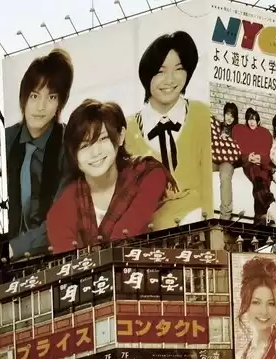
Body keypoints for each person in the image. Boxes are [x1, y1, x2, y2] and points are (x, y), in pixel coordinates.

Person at [44, 99, 170, 254]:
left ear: (120, 136)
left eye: (103, 139)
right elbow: (69, 266)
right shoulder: (60, 212)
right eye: (84, 146)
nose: (95, 153)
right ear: (73, 154)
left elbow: (124, 233)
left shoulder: (147, 175)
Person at [123, 31, 211, 230]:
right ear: (147, 75)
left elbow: (208, 183)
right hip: (148, 239)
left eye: (179, 69)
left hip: (198, 226)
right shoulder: (126, 130)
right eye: (160, 71)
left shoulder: (201, 114)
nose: (170, 80)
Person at [5, 49, 75, 258]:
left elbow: (63, 216)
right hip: (5, 262)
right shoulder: (4, 140)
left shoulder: (68, 144)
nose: (41, 107)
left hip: (53, 254)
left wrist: (15, 248)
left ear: (60, 103)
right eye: (35, 96)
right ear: (24, 97)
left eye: (51, 97)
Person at [232, 106, 276, 221]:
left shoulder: (265, 134)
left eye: (254, 119)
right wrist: (249, 157)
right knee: (256, 173)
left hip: (262, 165)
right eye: (249, 119)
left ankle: (259, 217)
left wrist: (260, 158)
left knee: (263, 175)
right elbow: (239, 152)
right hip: (250, 165)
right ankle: (265, 200)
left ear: (258, 121)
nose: (252, 122)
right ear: (247, 121)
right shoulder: (241, 131)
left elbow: (267, 156)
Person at [212, 102, 241, 214]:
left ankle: (225, 215)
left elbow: (238, 151)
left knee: (224, 177)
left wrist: (228, 140)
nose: (230, 118)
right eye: (228, 114)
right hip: (214, 158)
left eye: (232, 116)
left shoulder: (237, 130)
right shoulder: (217, 126)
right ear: (224, 114)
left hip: (227, 162)